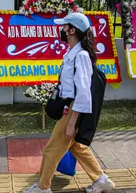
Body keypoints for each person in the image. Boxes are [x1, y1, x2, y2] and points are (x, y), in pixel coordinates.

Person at [23, 12, 115, 193]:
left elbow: (83, 93)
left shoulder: (80, 56)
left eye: (65, 27)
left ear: (72, 30)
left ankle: (43, 188)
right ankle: (101, 180)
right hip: (70, 106)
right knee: (76, 147)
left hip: (74, 109)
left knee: (52, 149)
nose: (62, 30)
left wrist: (72, 122)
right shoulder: (73, 54)